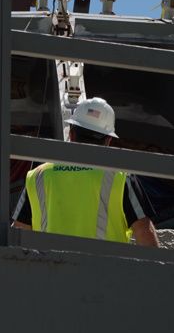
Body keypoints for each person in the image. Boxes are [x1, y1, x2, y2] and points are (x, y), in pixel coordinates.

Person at [12, 98, 159, 247]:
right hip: (103, 269)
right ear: (108, 140)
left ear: (71, 134)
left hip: (50, 267)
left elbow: (20, 232)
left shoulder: (38, 175)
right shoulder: (120, 177)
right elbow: (144, 232)